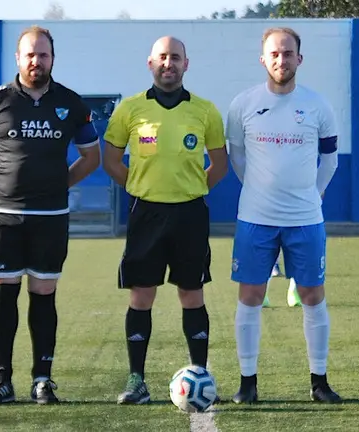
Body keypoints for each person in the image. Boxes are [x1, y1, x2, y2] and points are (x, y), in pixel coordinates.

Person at [0, 25, 101, 405]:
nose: (36, 61)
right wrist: (2, 181)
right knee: (4, 295)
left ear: (52, 58)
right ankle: (1, 381)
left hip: (50, 216)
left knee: (43, 293)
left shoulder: (72, 104)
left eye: (43, 54)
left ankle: (43, 379)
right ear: (18, 58)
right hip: (3, 215)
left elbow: (92, 157)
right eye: (30, 54)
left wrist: (60, 183)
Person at [103, 36, 229, 405]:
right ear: (150, 63)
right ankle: (136, 381)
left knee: (192, 293)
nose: (168, 63)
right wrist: (143, 187)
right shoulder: (129, 110)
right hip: (146, 213)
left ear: (186, 64)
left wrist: (188, 189)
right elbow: (111, 161)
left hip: (190, 212)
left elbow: (219, 166)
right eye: (162, 57)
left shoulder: (206, 111)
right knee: (142, 295)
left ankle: (200, 374)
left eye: (175, 57)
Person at [226, 27, 342, 404]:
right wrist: (261, 191)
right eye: (274, 54)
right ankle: (247, 383)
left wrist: (314, 193)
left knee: (312, 294)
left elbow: (330, 159)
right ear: (263, 59)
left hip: (306, 219)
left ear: (299, 59)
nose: (281, 60)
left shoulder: (318, 107)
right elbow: (238, 159)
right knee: (251, 296)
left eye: (288, 53)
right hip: (255, 218)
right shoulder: (243, 105)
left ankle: (319, 381)